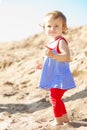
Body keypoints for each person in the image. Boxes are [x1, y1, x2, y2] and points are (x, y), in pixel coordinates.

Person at [36, 10, 76, 126]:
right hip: (54, 76)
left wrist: (53, 55)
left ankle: (58, 121)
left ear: (63, 28)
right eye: (49, 26)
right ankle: (64, 118)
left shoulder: (61, 42)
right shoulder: (51, 42)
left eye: (56, 26)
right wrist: (42, 66)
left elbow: (67, 57)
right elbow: (50, 61)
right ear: (44, 28)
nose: (52, 29)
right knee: (56, 97)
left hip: (60, 76)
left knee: (54, 97)